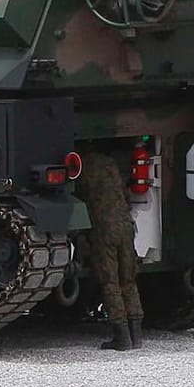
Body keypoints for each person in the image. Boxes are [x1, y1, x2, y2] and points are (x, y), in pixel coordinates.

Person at [72, 150, 143, 350]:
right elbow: (124, 194)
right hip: (125, 224)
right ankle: (136, 334)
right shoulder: (110, 163)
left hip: (104, 228)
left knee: (110, 281)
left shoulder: (81, 167)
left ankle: (121, 336)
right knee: (128, 279)